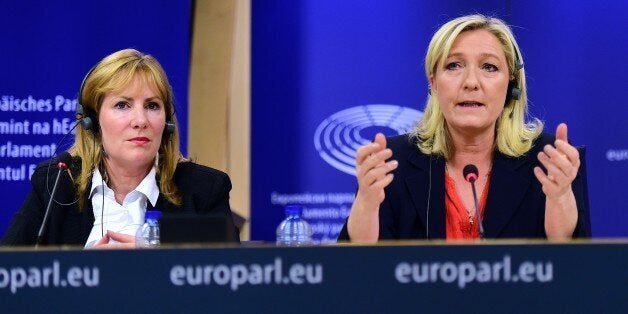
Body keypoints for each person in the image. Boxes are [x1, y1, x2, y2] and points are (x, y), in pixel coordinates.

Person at [338, 15, 591, 242]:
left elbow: (571, 269)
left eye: (489, 67)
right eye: (453, 66)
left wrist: (559, 198)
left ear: (511, 85)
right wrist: (367, 204)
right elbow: (359, 270)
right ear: (434, 82)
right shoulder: (393, 161)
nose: (471, 82)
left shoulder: (550, 161)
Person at [2, 49, 239, 247]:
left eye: (152, 105)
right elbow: (10, 278)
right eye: (123, 105)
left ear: (166, 123)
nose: (140, 120)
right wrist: (83, 271)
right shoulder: (56, 184)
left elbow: (226, 287)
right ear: (92, 122)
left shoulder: (204, 191)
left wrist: (154, 263)